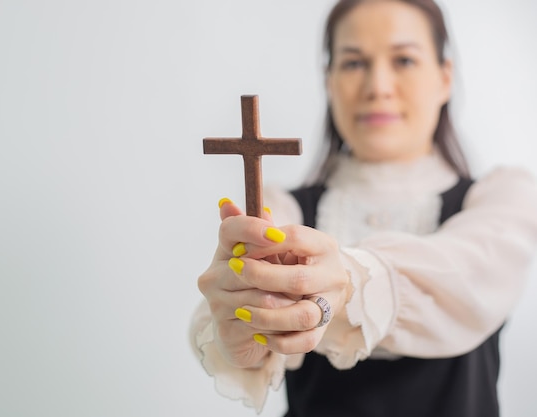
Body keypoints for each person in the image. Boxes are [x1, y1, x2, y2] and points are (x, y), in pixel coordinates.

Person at [190, 0, 537, 416]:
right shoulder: (282, 214)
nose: (378, 86)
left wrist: (350, 285)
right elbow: (222, 324)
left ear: (444, 78)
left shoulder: (502, 202)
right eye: (354, 64)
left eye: (404, 60)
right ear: (329, 81)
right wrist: (240, 326)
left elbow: (467, 279)